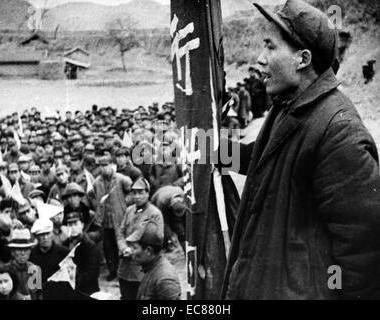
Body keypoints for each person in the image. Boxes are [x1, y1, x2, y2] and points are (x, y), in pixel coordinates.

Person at [222, 0, 380, 300]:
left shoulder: (338, 131)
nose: (259, 58)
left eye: (270, 47)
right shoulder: (291, 106)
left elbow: (364, 254)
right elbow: (262, 158)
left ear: (302, 59)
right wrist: (208, 149)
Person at [117, 177, 164, 300]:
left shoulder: (155, 214)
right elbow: (121, 232)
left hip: (141, 269)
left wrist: (134, 251)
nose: (137, 196)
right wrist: (123, 248)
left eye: (141, 193)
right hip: (125, 266)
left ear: (148, 193)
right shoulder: (129, 210)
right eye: (134, 193)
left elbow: (158, 240)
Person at [92, 155, 132, 281]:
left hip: (119, 218)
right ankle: (112, 270)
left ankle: (123, 271)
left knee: (121, 244)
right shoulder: (97, 182)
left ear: (111, 165)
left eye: (106, 165)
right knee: (108, 247)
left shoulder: (120, 179)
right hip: (105, 221)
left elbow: (132, 190)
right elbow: (93, 196)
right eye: (101, 166)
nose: (104, 168)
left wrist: (125, 203)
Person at [127, 219, 181, 300]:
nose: (130, 251)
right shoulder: (150, 268)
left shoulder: (165, 280)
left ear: (148, 250)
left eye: (134, 247)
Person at [63, 211, 101, 296]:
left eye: (75, 224)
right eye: (70, 225)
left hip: (87, 290)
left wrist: (75, 283)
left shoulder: (90, 246)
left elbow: (92, 273)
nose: (72, 227)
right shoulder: (64, 245)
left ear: (82, 225)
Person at [29, 218, 69, 284]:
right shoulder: (31, 255)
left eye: (48, 233)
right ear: (36, 236)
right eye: (42, 234)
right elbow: (32, 283)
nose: (45, 237)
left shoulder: (64, 253)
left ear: (52, 233)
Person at [6, 228, 42, 300]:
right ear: (12, 252)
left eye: (26, 249)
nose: (23, 253)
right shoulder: (6, 270)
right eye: (19, 249)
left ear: (30, 251)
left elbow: (38, 294)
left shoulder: (34, 269)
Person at [151, 185, 186, 252]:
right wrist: (170, 235)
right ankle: (165, 244)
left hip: (171, 191)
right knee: (162, 225)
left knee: (181, 230)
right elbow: (163, 221)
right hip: (157, 199)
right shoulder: (162, 201)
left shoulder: (184, 195)